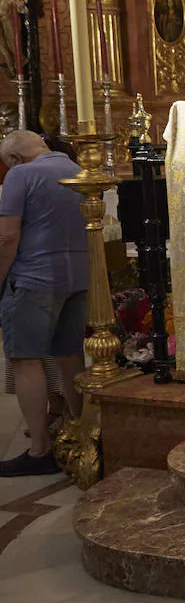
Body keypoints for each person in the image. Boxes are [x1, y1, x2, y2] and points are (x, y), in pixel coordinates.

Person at [0, 130, 87, 477]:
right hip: (78, 278)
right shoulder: (79, 169)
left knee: (25, 361)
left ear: (15, 160)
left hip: (35, 279)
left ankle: (40, 450)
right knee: (70, 356)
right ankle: (82, 433)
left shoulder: (22, 175)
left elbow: (7, 236)